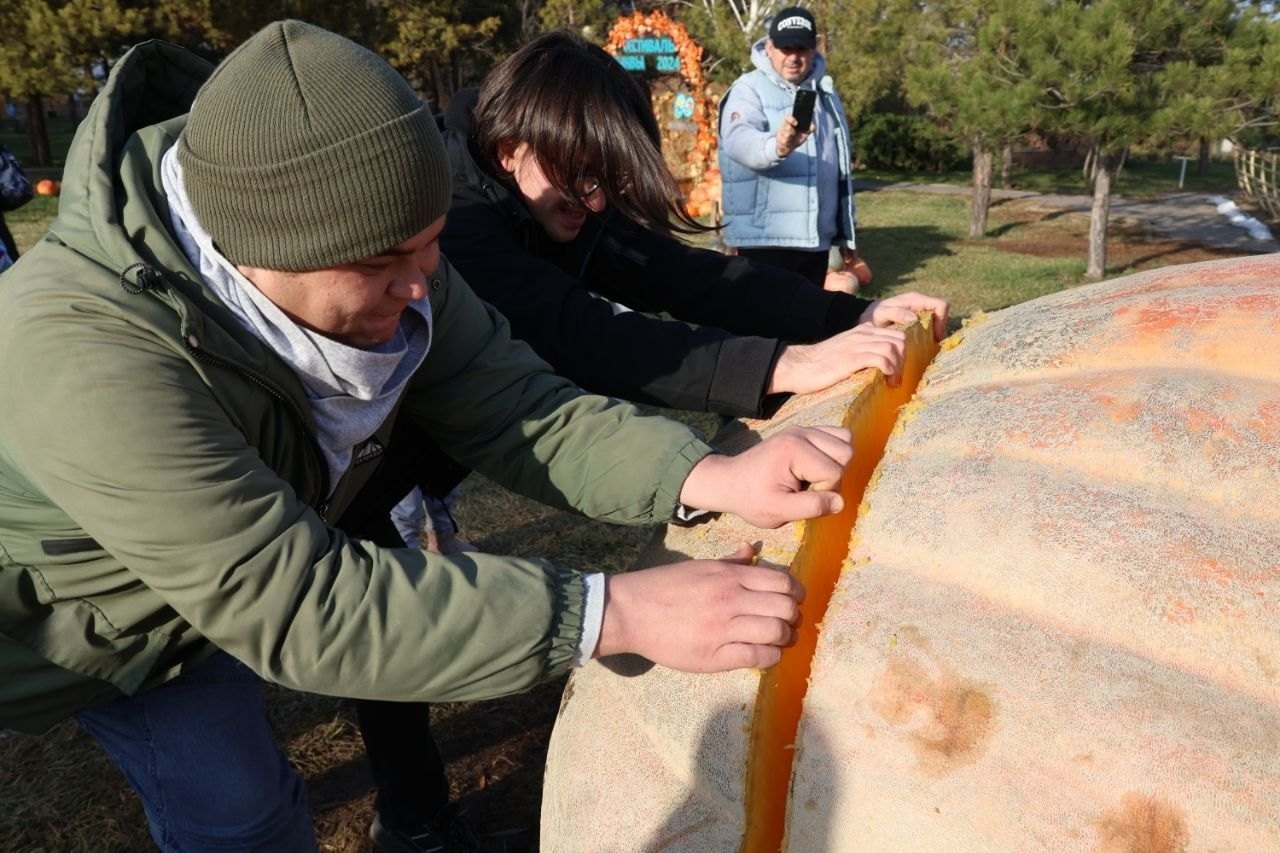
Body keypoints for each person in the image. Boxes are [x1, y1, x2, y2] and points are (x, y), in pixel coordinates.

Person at [0, 21, 858, 852]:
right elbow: (301, 604)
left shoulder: (386, 248)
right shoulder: (82, 355)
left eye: (433, 247)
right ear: (262, 252)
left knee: (248, 816)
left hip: (182, 618)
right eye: (381, 266)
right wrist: (611, 610)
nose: (420, 288)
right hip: (47, 625)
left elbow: (521, 405)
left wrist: (706, 473)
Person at [355, 29, 949, 851]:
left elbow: (685, 276)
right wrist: (782, 365)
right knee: (368, 618)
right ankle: (412, 823)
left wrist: (843, 317)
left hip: (424, 438)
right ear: (511, 144)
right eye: (583, 180)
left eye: (607, 182)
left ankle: (411, 814)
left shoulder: (561, 189)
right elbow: (585, 336)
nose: (596, 202)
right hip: (354, 454)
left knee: (383, 603)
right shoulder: (456, 220)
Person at [718, 6, 869, 291]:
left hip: (815, 240)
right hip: (766, 239)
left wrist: (846, 233)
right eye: (785, 48)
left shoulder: (826, 92)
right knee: (766, 324)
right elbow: (738, 140)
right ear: (770, 47)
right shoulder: (748, 89)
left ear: (814, 49)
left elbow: (840, 168)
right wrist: (778, 145)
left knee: (807, 324)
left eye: (801, 48)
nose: (793, 57)